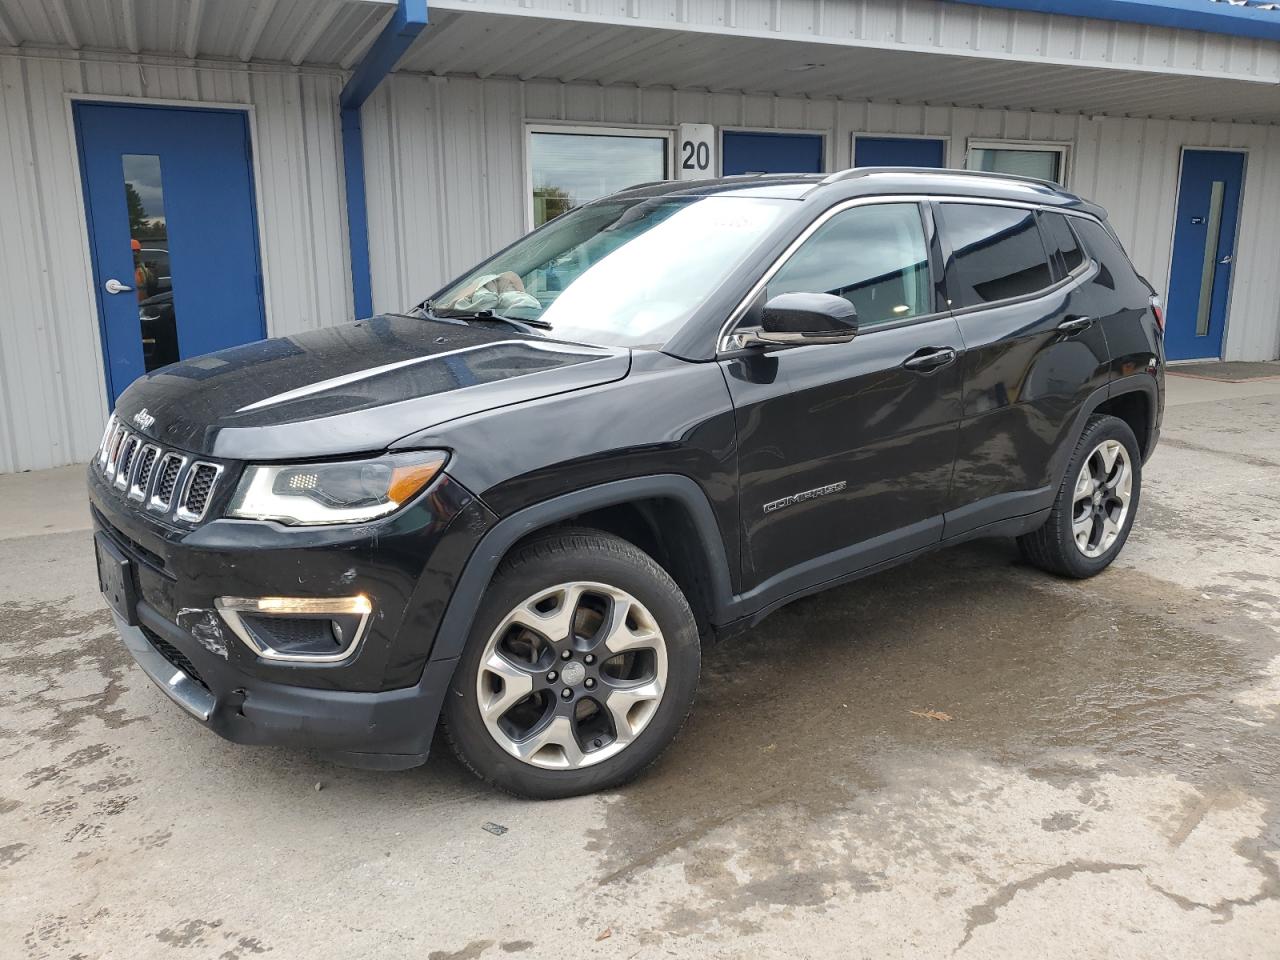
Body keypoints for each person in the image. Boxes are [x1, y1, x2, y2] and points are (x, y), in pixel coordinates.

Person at [132, 238, 156, 302]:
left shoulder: (143, 269)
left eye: (137, 251)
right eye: (132, 251)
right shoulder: (122, 269)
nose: (135, 254)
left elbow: (153, 285)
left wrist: (154, 270)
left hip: (142, 303)